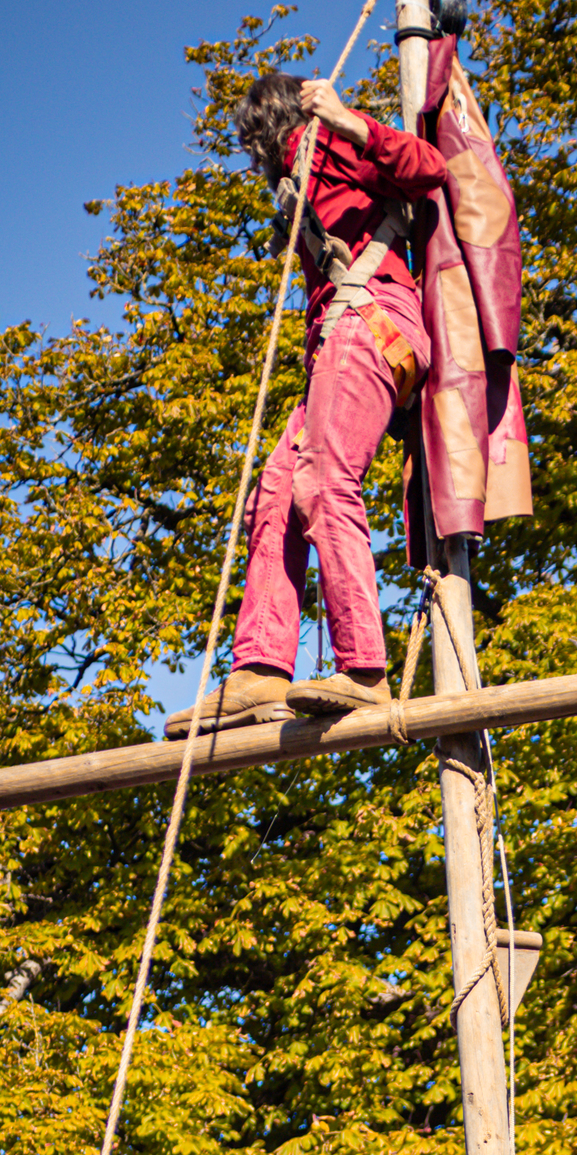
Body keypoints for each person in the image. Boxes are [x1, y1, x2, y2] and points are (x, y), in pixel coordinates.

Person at [165, 71, 451, 740]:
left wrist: (347, 119)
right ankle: (260, 670)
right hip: (339, 337)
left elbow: (429, 169)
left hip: (371, 319)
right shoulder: (299, 177)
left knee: (324, 480)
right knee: (273, 490)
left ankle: (365, 669)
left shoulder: (331, 143)